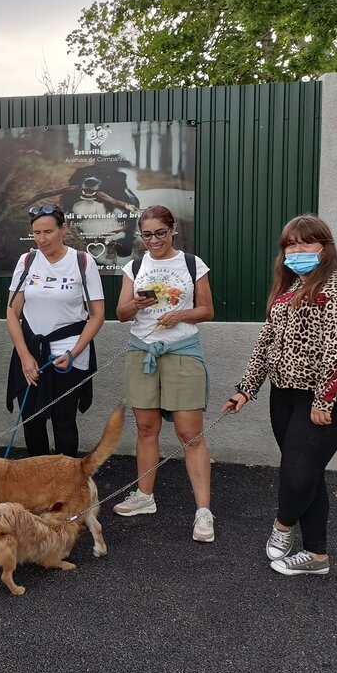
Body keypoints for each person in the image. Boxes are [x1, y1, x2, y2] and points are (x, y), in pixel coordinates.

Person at [224, 215, 337, 576]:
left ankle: (282, 527)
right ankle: (317, 556)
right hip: (282, 396)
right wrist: (245, 389)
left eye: (306, 243)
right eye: (291, 244)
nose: (297, 250)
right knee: (308, 473)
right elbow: (265, 344)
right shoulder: (287, 291)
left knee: (298, 473)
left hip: (320, 401)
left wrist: (324, 398)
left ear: (324, 247)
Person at [113, 205, 216, 542]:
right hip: (142, 351)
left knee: (191, 434)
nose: (153, 240)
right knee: (146, 428)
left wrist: (181, 315)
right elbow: (121, 313)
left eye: (160, 232)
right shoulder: (135, 266)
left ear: (172, 230)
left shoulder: (191, 263)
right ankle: (145, 497)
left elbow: (208, 310)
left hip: (182, 353)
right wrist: (137, 305)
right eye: (147, 234)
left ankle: (203, 511)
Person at [6, 204, 105, 458]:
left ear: (63, 229)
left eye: (48, 232)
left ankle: (67, 487)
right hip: (30, 351)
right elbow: (12, 312)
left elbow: (97, 315)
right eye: (36, 232)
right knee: (32, 421)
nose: (41, 239)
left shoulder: (82, 261)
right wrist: (24, 355)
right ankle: (38, 485)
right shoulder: (27, 261)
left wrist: (75, 351)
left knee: (64, 421)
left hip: (68, 354)